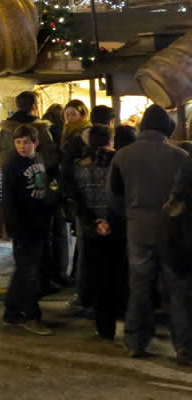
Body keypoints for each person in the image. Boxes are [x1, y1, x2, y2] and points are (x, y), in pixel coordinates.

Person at [108, 104, 190, 362]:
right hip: (173, 232)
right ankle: (185, 347)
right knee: (178, 290)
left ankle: (135, 341)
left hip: (138, 230)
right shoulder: (181, 157)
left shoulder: (122, 156)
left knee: (140, 287)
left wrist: (131, 215)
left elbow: (113, 197)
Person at [70, 124, 126, 340]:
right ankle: (121, 316)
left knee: (98, 277)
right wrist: (110, 221)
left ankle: (104, 327)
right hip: (116, 227)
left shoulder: (78, 165)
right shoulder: (118, 161)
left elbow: (76, 198)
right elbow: (120, 195)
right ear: (110, 140)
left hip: (92, 229)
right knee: (117, 275)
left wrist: (94, 222)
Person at [1, 124, 56, 335]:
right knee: (28, 272)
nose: (22, 146)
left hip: (39, 223)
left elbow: (42, 187)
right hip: (24, 225)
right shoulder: (12, 164)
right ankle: (31, 316)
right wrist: (13, 227)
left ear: (36, 142)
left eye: (26, 142)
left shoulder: (38, 159)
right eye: (18, 142)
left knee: (25, 270)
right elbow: (8, 199)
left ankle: (12, 311)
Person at [0, 91, 56, 173]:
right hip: (35, 177)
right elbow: (50, 156)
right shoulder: (41, 130)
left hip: (11, 176)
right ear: (34, 106)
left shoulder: (4, 131)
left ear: (17, 105)